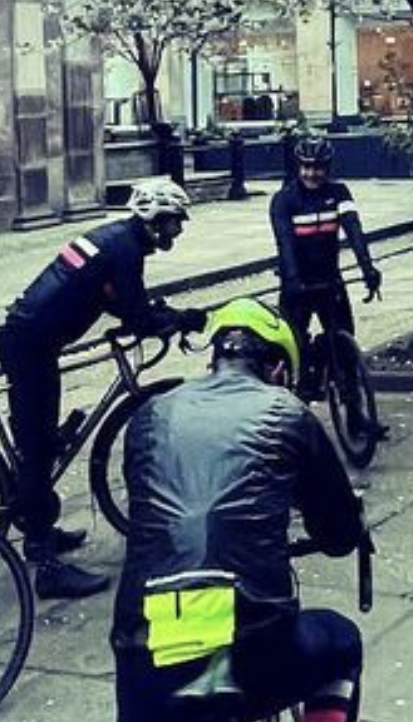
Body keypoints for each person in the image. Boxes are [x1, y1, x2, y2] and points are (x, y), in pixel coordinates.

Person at [111, 297, 369, 722]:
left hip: (142, 650)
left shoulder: (150, 414)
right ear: (279, 371)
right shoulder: (288, 412)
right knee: (341, 643)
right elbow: (339, 535)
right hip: (251, 649)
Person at [0, 177, 208, 599]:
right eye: (173, 223)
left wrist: (158, 312)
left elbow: (113, 297)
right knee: (38, 448)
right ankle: (45, 563)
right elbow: (134, 314)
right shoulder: (126, 249)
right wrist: (180, 319)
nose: (177, 232)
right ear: (153, 218)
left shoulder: (117, 240)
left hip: (32, 339)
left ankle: (39, 523)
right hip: (31, 346)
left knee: (39, 441)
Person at [269, 135, 383, 414]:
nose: (311, 173)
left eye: (318, 167)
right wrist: (293, 280)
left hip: (330, 280)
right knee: (292, 349)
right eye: (306, 167)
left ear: (327, 167)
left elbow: (354, 231)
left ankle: (356, 416)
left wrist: (367, 268)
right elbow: (285, 243)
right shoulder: (284, 200)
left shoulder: (339, 193)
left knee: (345, 347)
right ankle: (296, 399)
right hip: (298, 283)